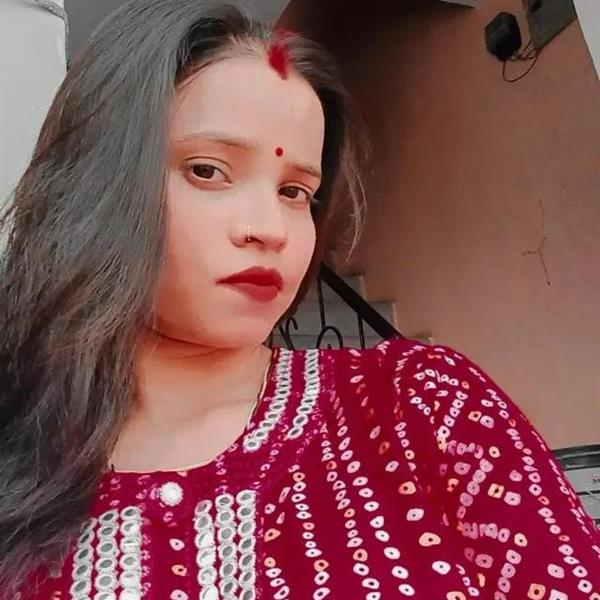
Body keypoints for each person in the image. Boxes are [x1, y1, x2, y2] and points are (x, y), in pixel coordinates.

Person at [0, 1, 598, 599]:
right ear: (91, 183)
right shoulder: (19, 452)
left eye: (295, 192)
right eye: (208, 171)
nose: (272, 229)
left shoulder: (421, 405)